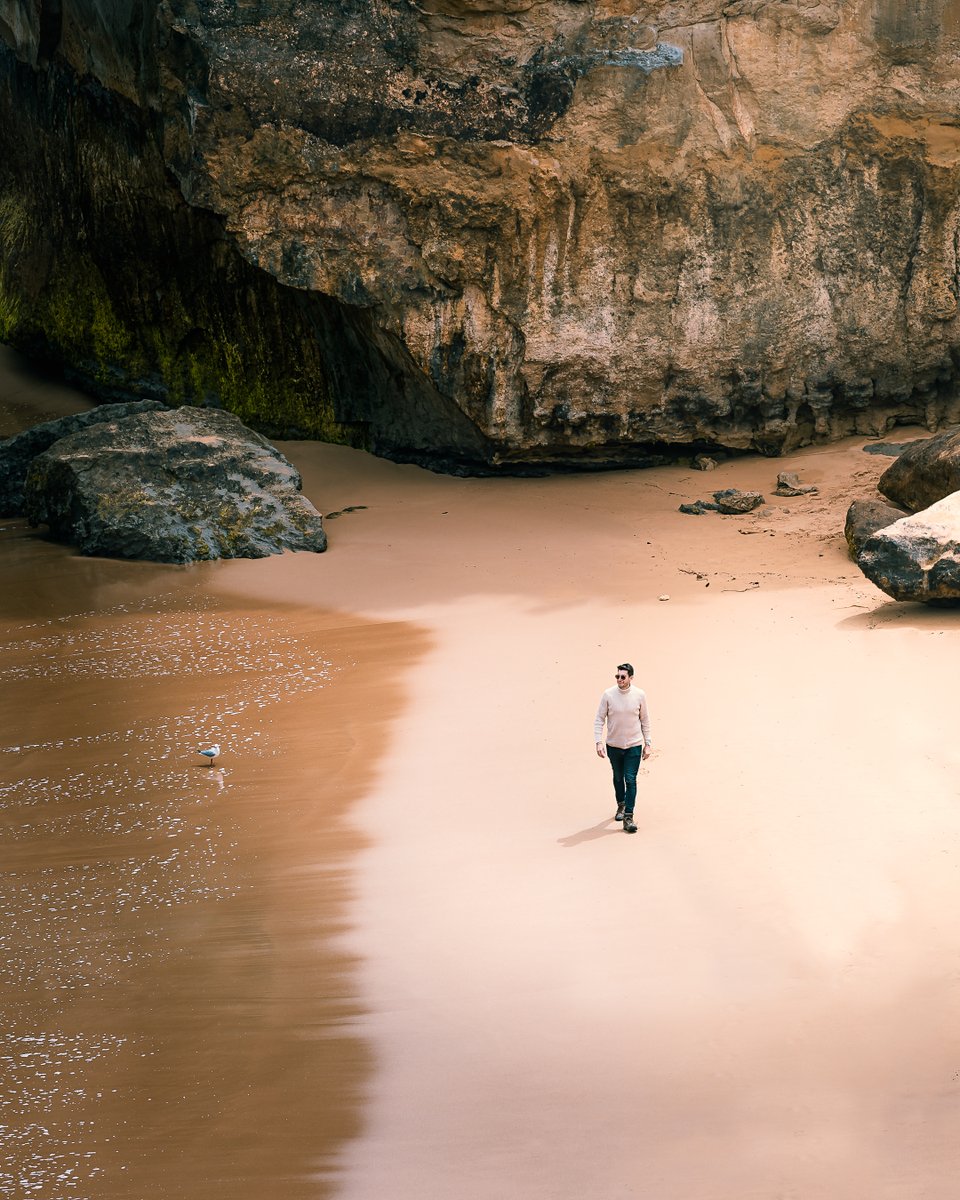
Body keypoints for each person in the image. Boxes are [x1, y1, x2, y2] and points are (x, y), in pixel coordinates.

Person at [594, 663, 653, 834]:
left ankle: (628, 816)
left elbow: (645, 720)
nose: (619, 679)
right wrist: (598, 741)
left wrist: (648, 743)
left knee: (630, 779)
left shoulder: (639, 695)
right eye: (617, 676)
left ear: (631, 678)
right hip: (614, 745)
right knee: (618, 777)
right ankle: (621, 804)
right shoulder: (608, 695)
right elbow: (599, 719)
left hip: (634, 746)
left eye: (623, 677)